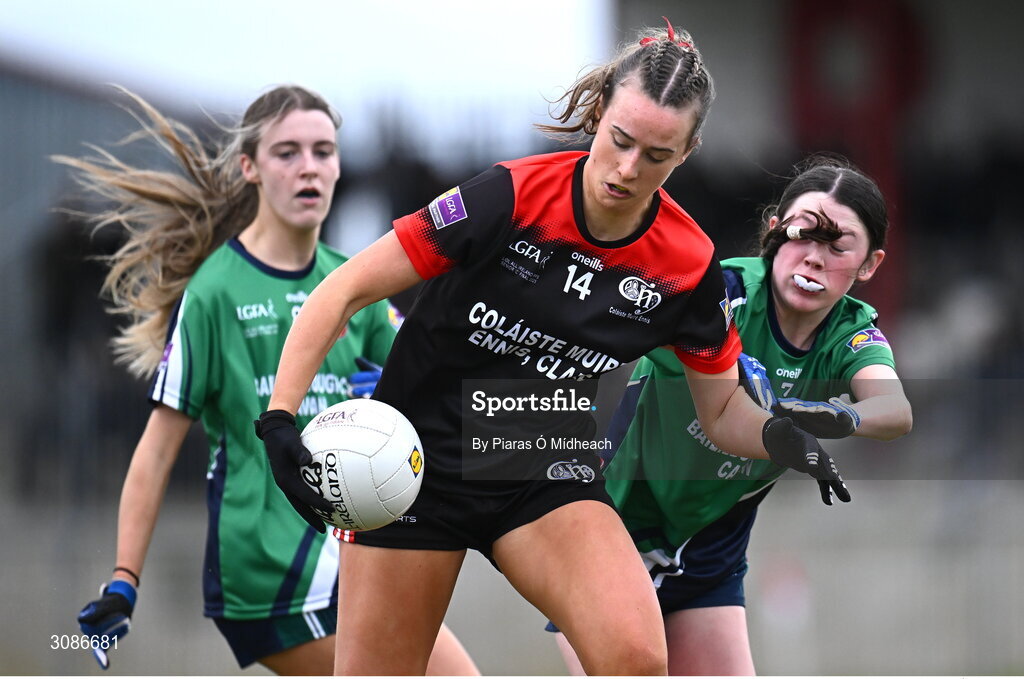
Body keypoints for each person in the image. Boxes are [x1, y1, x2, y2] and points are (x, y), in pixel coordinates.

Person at [256, 20, 848, 676]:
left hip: (542, 459)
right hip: (407, 467)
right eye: (620, 140)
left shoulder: (686, 266)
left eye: (657, 155)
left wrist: (780, 436)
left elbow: (720, 411)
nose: (628, 169)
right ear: (598, 116)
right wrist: (281, 421)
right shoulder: (505, 197)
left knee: (636, 656)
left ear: (687, 152)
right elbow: (340, 291)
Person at [61, 86, 478, 675]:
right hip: (270, 571)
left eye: (323, 151)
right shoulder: (214, 292)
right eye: (287, 153)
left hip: (347, 550)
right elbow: (155, 453)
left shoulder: (352, 281)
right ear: (249, 168)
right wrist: (124, 580)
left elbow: (437, 383)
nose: (309, 166)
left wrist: (390, 402)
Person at [550, 155, 913, 675]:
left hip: (708, 552)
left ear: (869, 265)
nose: (813, 257)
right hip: (612, 535)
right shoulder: (721, 293)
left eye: (838, 246)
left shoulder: (850, 333)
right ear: (774, 233)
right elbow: (604, 325)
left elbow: (895, 408)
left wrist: (843, 416)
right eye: (803, 234)